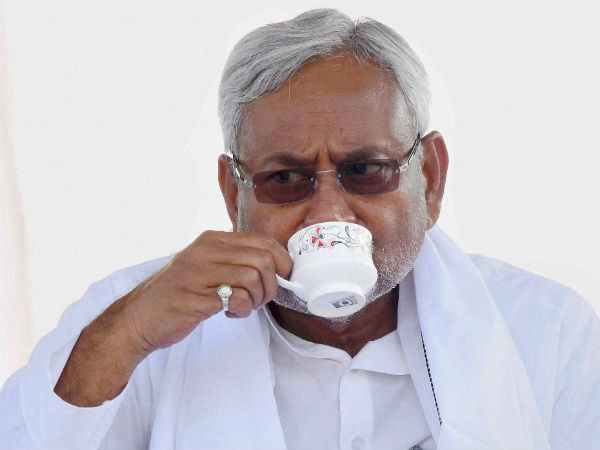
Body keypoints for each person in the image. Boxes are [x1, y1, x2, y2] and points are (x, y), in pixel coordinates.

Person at [1, 8, 599, 450]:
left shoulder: (546, 332)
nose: (328, 213)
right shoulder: (140, 319)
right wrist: (127, 335)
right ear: (234, 193)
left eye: (366, 170)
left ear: (431, 178)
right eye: (286, 178)